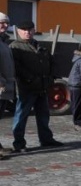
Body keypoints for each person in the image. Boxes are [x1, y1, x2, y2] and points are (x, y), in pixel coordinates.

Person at [9, 20, 63, 152]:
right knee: (21, 116)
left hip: (43, 87)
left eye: (30, 30)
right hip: (26, 88)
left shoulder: (39, 45)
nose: (27, 32)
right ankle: (19, 144)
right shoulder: (15, 47)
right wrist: (30, 79)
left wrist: (51, 78)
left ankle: (46, 140)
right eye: (24, 30)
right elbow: (16, 67)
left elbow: (51, 62)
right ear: (18, 31)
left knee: (44, 116)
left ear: (34, 30)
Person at [0, 13, 14, 158]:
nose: (4, 25)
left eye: (6, 23)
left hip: (5, 88)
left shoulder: (3, 42)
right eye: (1, 23)